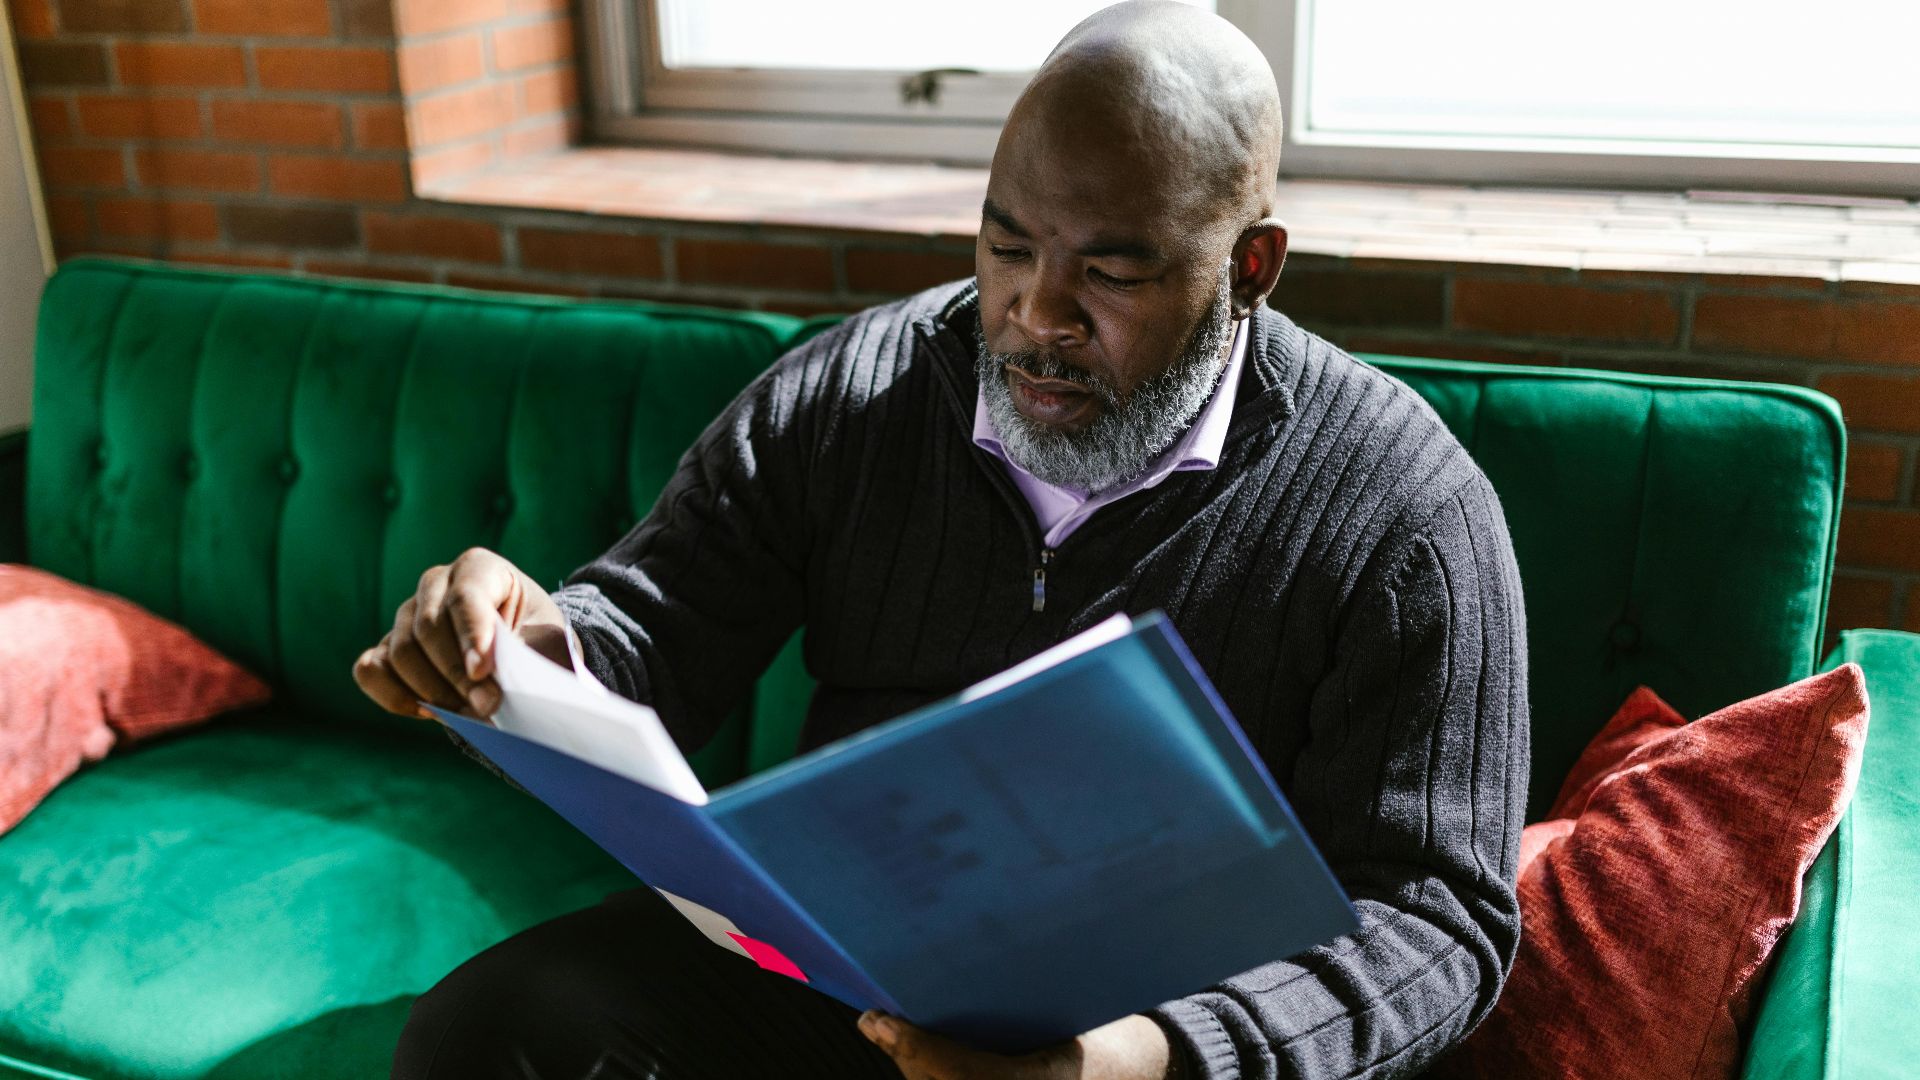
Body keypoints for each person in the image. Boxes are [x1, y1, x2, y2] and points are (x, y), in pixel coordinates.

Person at [355, 2, 1530, 1077]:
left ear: (1250, 269)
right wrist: (520, 644)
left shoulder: (1406, 514)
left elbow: (1442, 919)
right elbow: (653, 625)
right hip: (841, 966)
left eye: (1110, 273)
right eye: (1008, 247)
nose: (1037, 314)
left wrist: (1142, 1061)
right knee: (493, 1032)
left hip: (1155, 1031)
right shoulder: (851, 397)